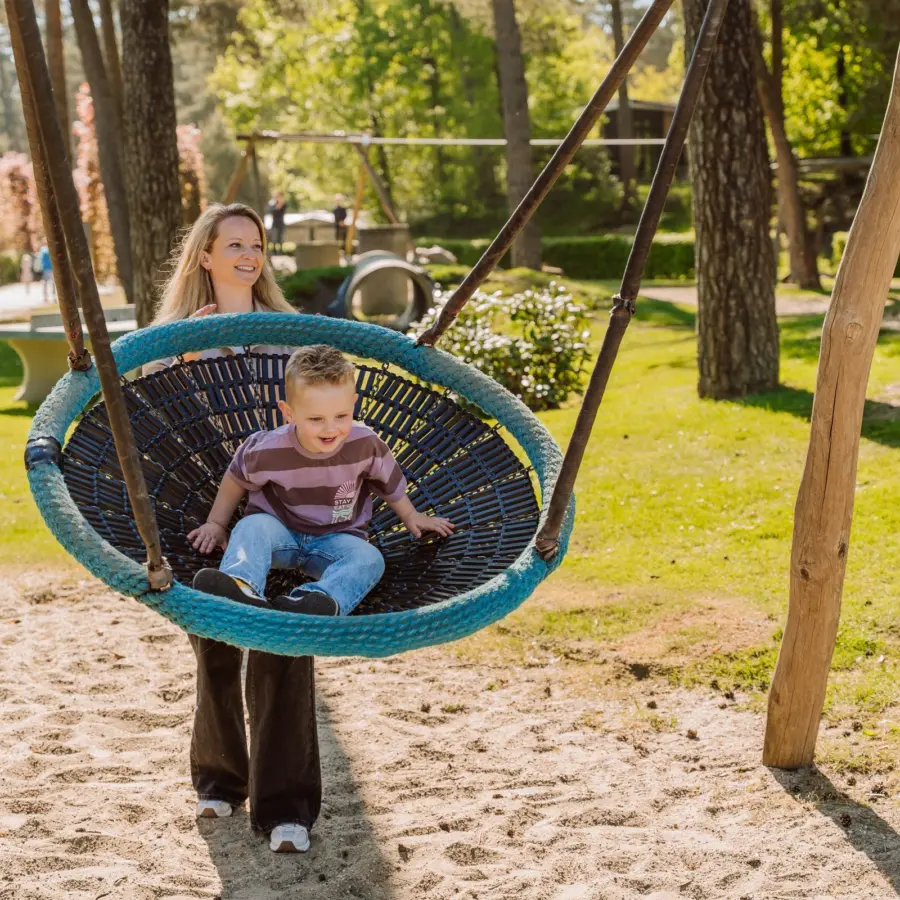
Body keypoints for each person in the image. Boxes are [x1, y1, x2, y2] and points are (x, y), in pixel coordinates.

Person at [145, 203, 318, 854]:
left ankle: (286, 807)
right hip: (200, 508)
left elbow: (319, 410)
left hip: (281, 507)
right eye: (235, 244)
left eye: (257, 244)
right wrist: (182, 354)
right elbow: (150, 416)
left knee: (283, 637)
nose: (249, 254)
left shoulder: (288, 334)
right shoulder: (177, 337)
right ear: (205, 257)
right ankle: (220, 779)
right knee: (214, 641)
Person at [189, 344, 454, 616]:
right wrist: (216, 523)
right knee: (251, 527)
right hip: (280, 532)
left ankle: (315, 601)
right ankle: (240, 587)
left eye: (341, 416)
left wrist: (411, 516)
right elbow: (236, 478)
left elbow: (387, 482)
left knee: (369, 558)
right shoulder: (269, 449)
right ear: (288, 412)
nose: (330, 428)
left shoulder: (366, 444)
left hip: (336, 539)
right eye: (316, 419)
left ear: (353, 403)